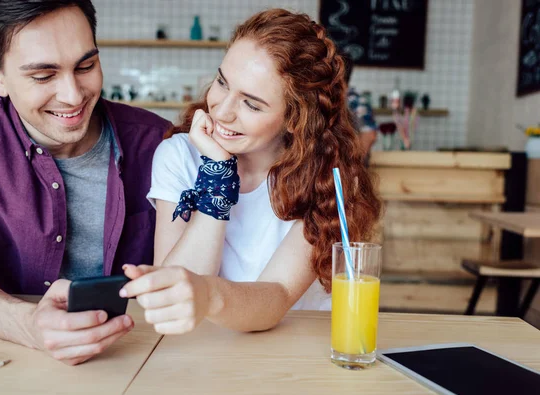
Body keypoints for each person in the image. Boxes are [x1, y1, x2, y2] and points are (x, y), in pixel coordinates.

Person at [119, 9, 382, 335]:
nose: (222, 111)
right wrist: (218, 174)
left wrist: (209, 294)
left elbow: (278, 294)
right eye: (222, 83)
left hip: (297, 346)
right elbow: (173, 295)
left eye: (252, 104)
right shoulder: (180, 155)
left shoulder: (327, 177)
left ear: (294, 117)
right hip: (206, 350)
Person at [0, 0, 170, 365]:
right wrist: (28, 324)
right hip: (6, 361)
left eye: (86, 66)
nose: (73, 95)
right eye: (43, 76)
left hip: (138, 356)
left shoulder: (159, 142)